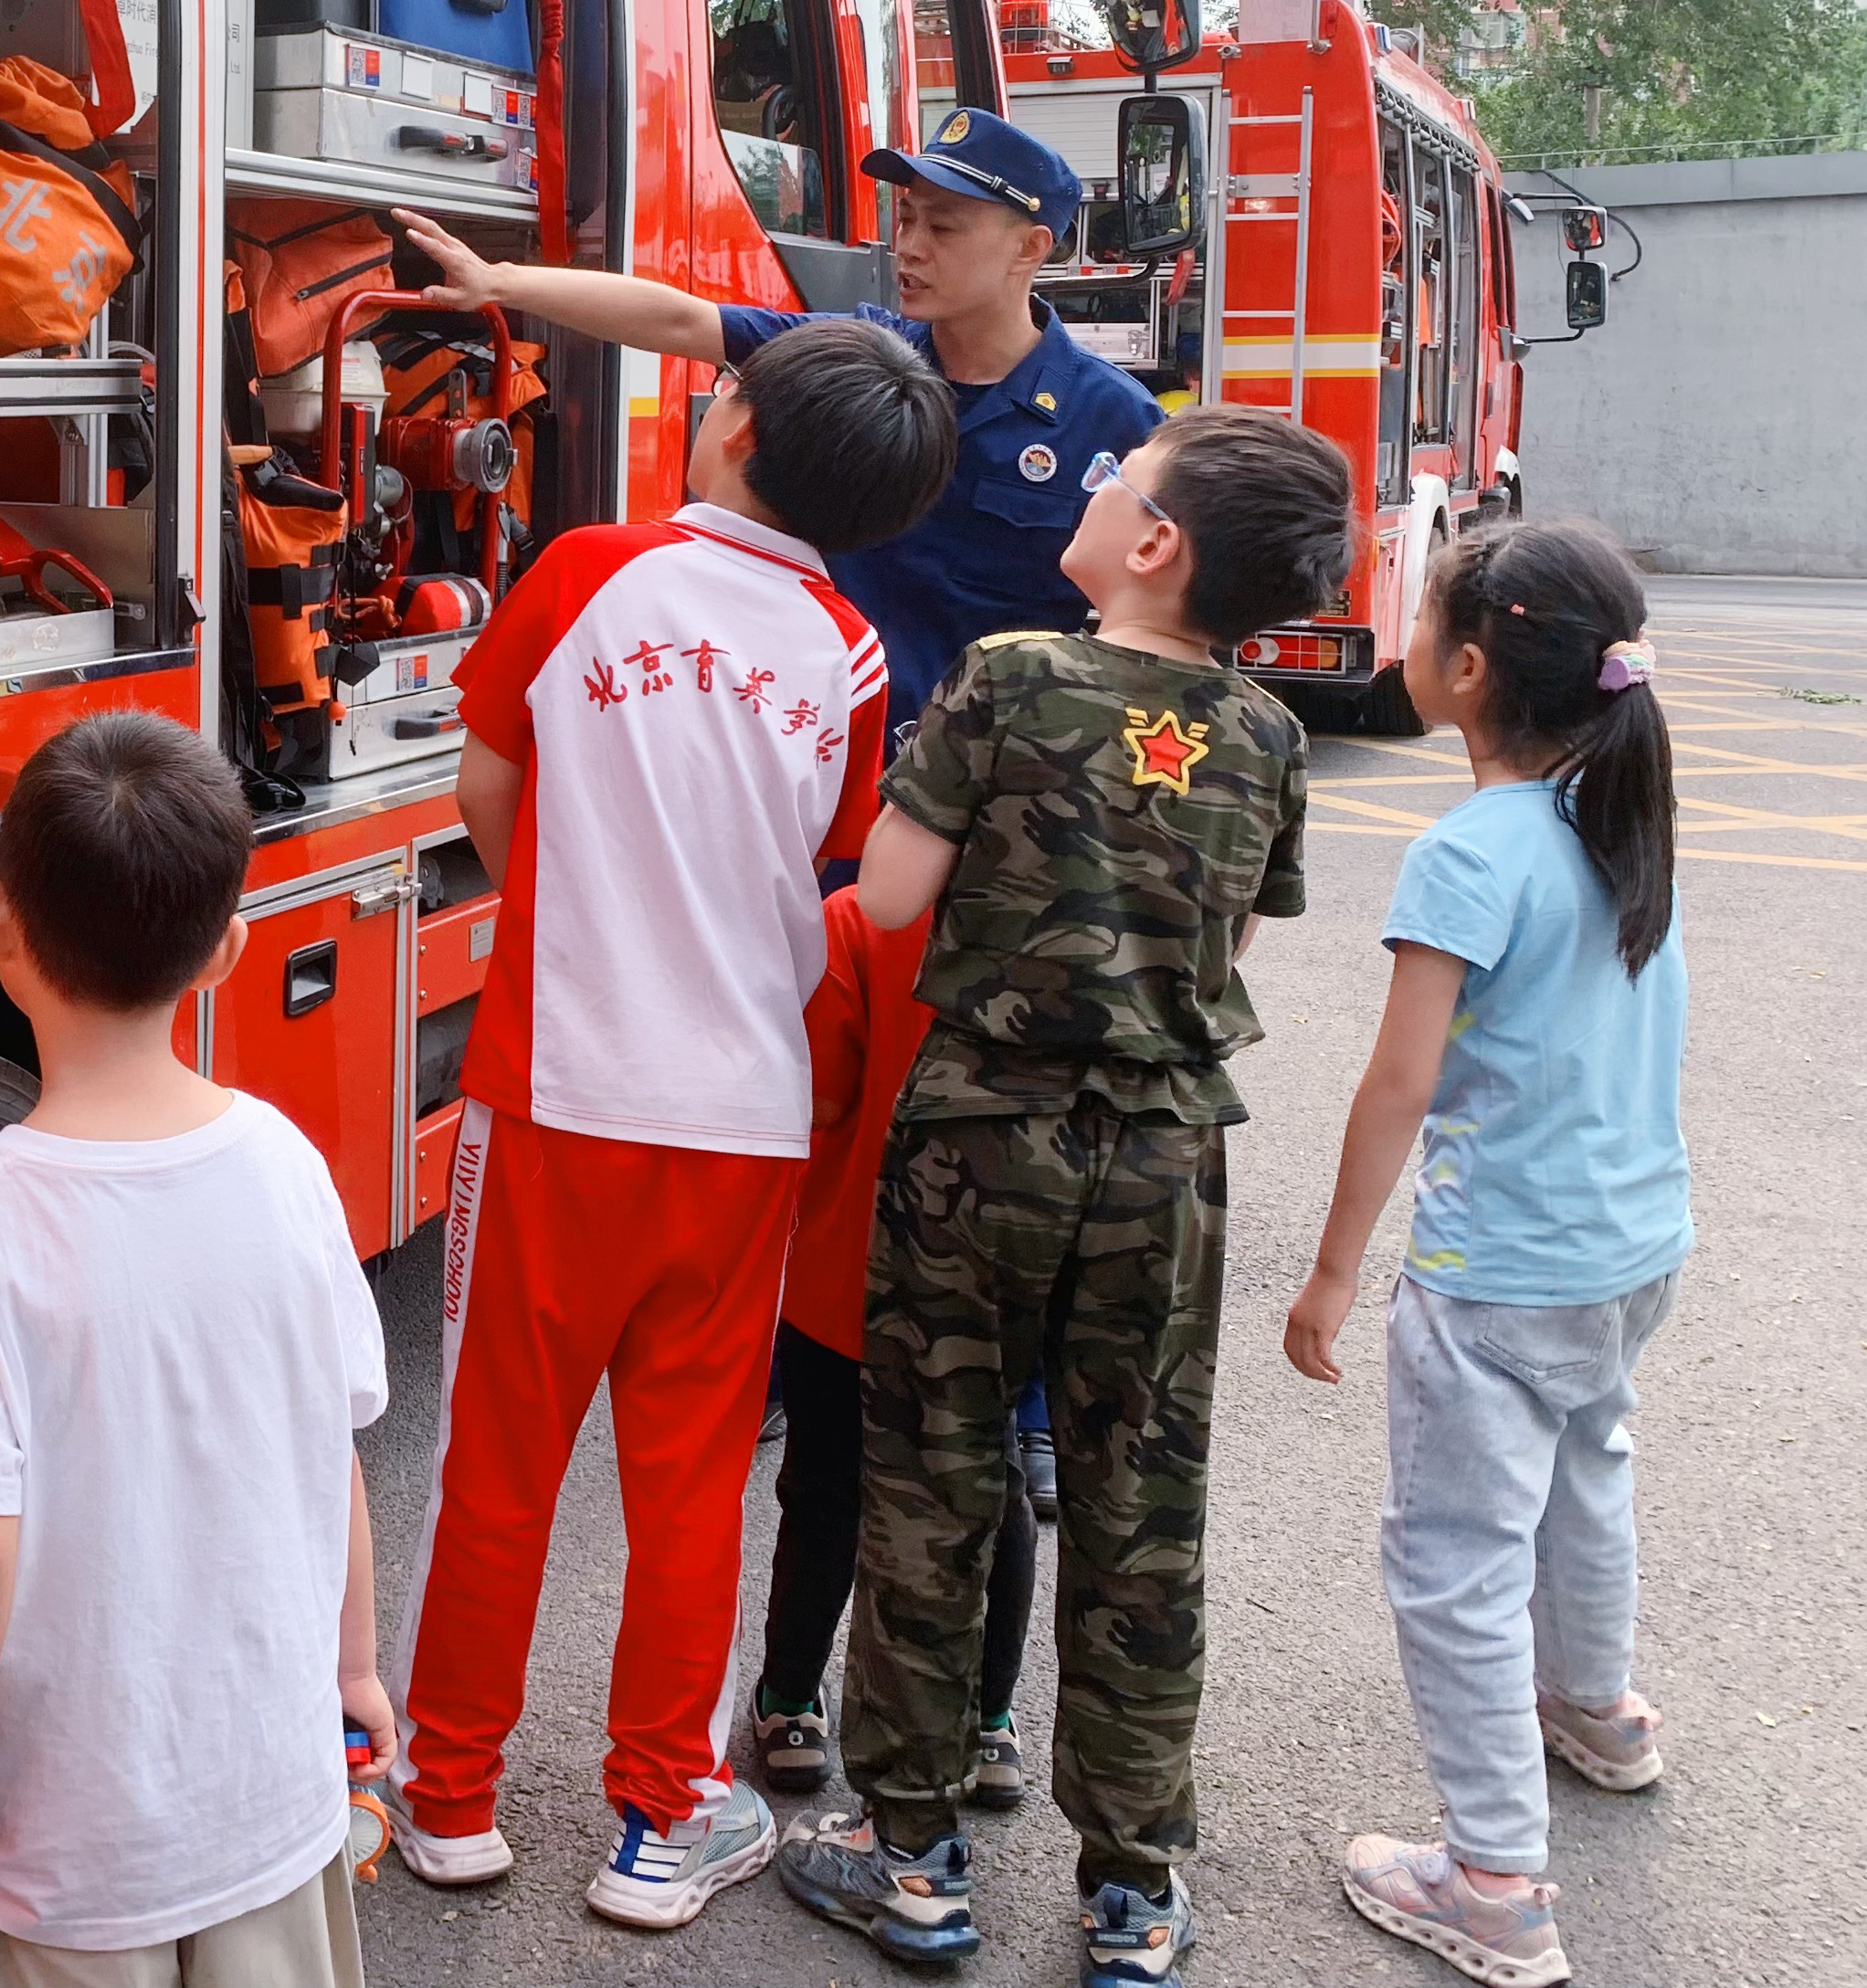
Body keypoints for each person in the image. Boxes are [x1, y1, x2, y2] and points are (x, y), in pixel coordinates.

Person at [385, 319, 956, 1929]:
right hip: (741, 1121)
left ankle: (449, 1794)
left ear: (732, 429)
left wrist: (576, 910)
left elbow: (485, 785)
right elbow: (834, 853)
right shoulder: (848, 648)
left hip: (552, 1091)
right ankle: (658, 1812)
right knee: (690, 1479)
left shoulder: (584, 572)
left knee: (498, 1457)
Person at [782, 409, 1354, 1986]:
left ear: (1152, 542)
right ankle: (1133, 1886)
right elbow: (1223, 949)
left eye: (1121, 481)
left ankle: (909, 1857)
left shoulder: (1007, 675)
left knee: (931, 1480)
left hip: (979, 1137)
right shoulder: (1265, 733)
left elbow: (885, 896)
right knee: (1138, 1505)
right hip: (1166, 1156)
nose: (1098, 488)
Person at [0, 712, 392, 1986]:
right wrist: (355, 1667)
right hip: (275, 1805)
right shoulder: (285, 1163)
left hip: (74, 1851)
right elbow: (328, 1447)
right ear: (226, 950)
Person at [1285, 521, 1689, 1988]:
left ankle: (1495, 1879)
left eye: (1416, 619)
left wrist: (1333, 1266)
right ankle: (1596, 1704)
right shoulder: (1618, 809)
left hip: (1502, 1264)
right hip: (1629, 1242)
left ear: (1463, 671)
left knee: (1453, 1555)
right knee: (1587, 1466)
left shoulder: (1468, 849)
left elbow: (1398, 1082)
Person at [398, 102, 1167, 731]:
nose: (908, 247)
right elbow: (683, 321)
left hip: (984, 789)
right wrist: (500, 282)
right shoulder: (860, 356)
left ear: (1030, 248)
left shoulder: (1113, 420)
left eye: (942, 228)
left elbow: (1149, 631)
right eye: (905, 219)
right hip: (815, 747)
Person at [755, 892, 1039, 1814]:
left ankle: (790, 1700)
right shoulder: (1055, 912)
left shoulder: (860, 919)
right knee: (994, 1490)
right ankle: (988, 1722)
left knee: (826, 1491)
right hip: (1001, 1279)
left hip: (851, 1269)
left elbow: (823, 1097)